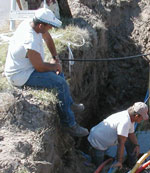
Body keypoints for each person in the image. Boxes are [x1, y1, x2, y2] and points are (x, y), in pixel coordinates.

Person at [4, 8, 88, 137]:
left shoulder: (33, 24)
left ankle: (68, 104)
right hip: (21, 76)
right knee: (60, 83)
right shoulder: (29, 40)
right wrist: (54, 67)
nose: (51, 29)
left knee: (59, 75)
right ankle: (69, 124)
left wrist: (55, 57)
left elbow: (48, 39)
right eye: (49, 27)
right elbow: (39, 67)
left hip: (29, 68)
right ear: (41, 25)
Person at [87, 102, 149, 169]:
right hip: (98, 140)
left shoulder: (130, 117)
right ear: (136, 116)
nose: (142, 120)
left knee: (129, 141)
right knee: (98, 166)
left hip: (101, 135)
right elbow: (121, 143)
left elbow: (131, 134)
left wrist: (136, 145)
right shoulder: (125, 122)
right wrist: (119, 161)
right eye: (142, 118)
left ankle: (132, 164)